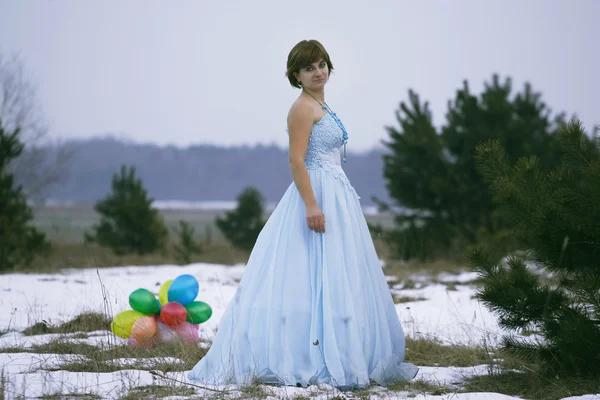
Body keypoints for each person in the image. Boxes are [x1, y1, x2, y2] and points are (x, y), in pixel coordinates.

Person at [188, 39, 418, 389]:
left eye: (322, 64)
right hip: (315, 194)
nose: (318, 71)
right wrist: (311, 204)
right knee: (308, 274)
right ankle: (307, 354)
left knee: (338, 273)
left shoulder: (321, 105)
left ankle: (344, 348)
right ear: (295, 74)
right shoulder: (301, 108)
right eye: (309, 67)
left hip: (337, 195)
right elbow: (297, 160)